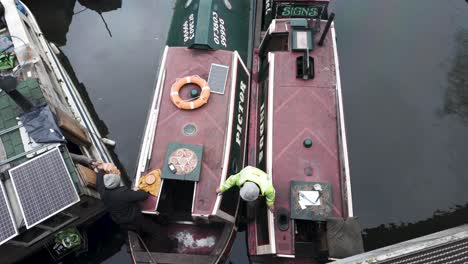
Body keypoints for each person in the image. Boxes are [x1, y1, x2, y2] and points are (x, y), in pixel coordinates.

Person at [93, 162, 164, 238]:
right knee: (154, 229)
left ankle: (140, 235)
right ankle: (171, 243)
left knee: (134, 231)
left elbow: (100, 176)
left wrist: (101, 169)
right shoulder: (123, 193)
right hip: (133, 218)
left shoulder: (102, 189)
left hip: (118, 220)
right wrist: (137, 190)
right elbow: (144, 195)